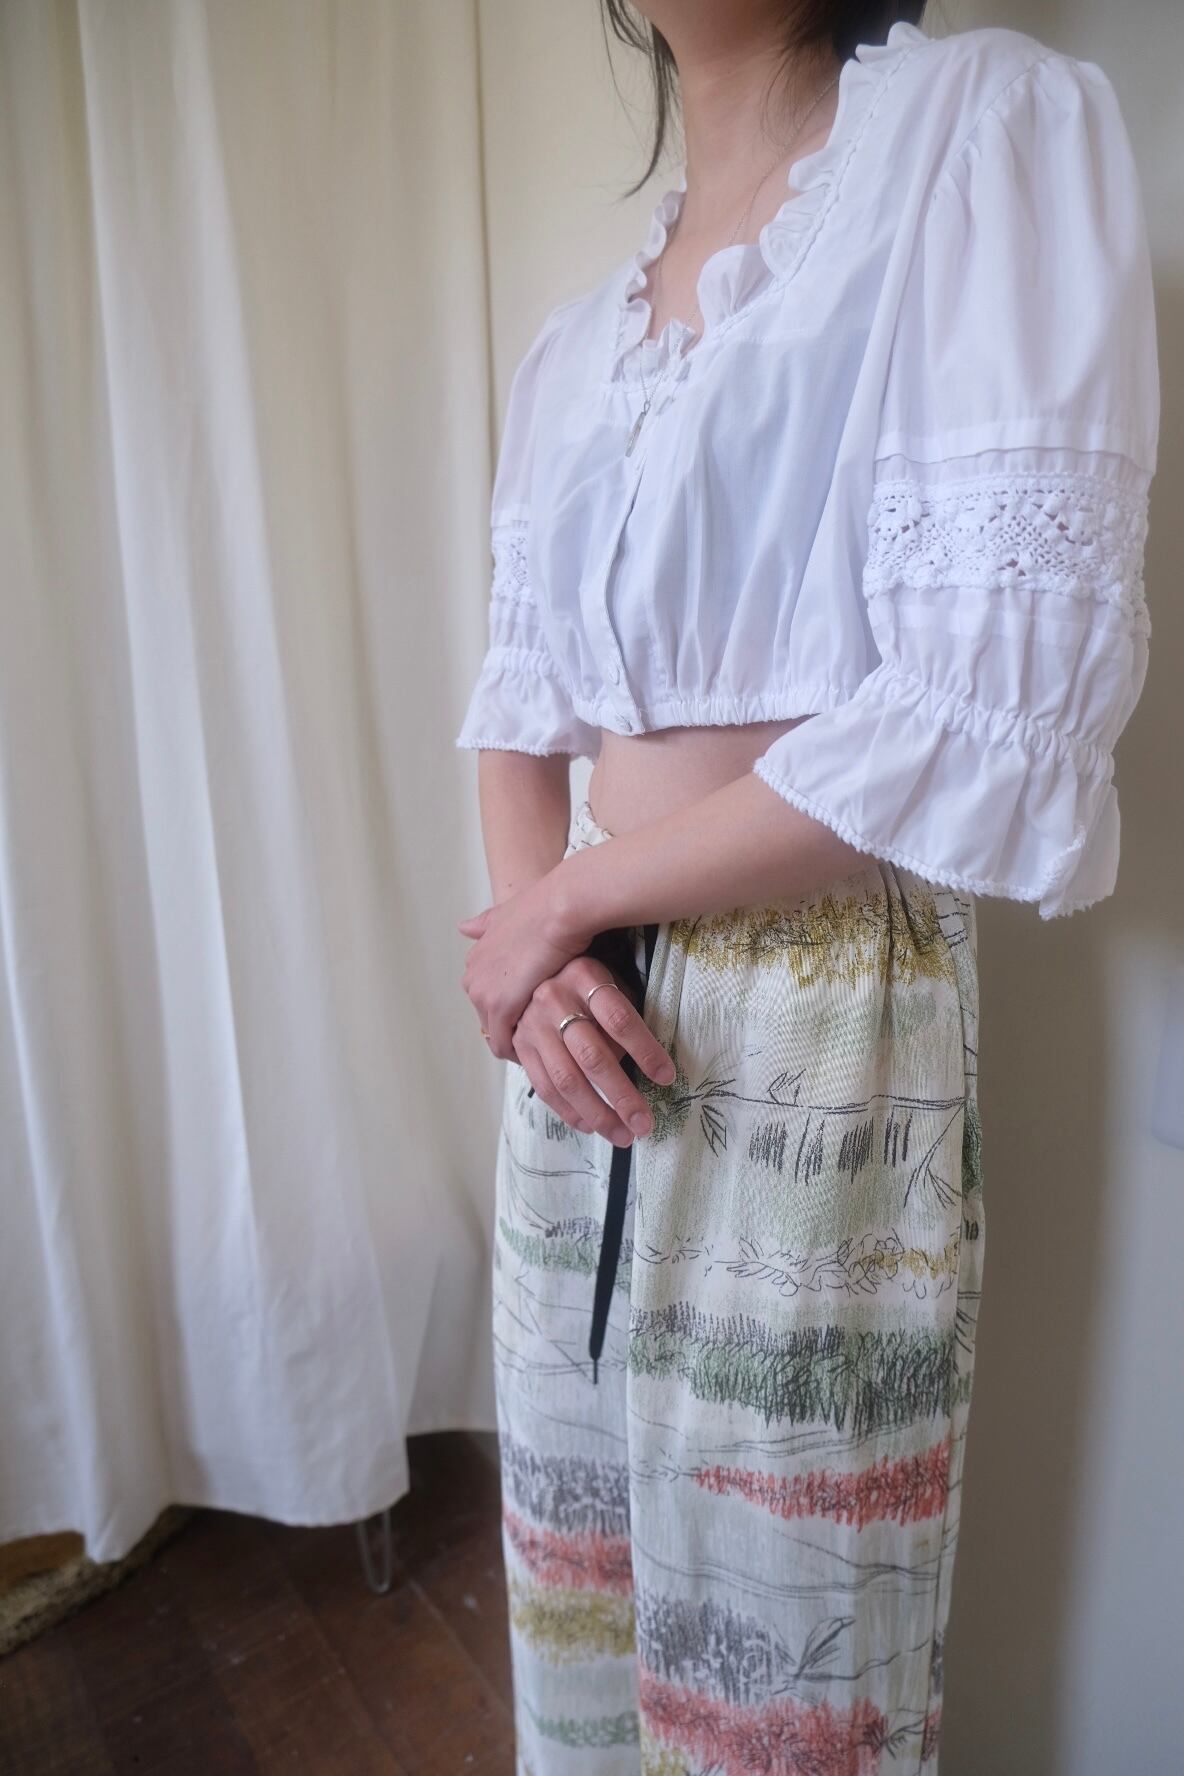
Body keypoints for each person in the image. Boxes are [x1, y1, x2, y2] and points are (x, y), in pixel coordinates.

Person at [455, 3, 1158, 1770]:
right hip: (572, 1022)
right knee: (581, 1599)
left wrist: (553, 914)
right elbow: (518, 695)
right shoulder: (576, 342)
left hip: (822, 1015)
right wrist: (541, 940)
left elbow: (982, 699)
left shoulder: (980, 135)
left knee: (786, 1668)